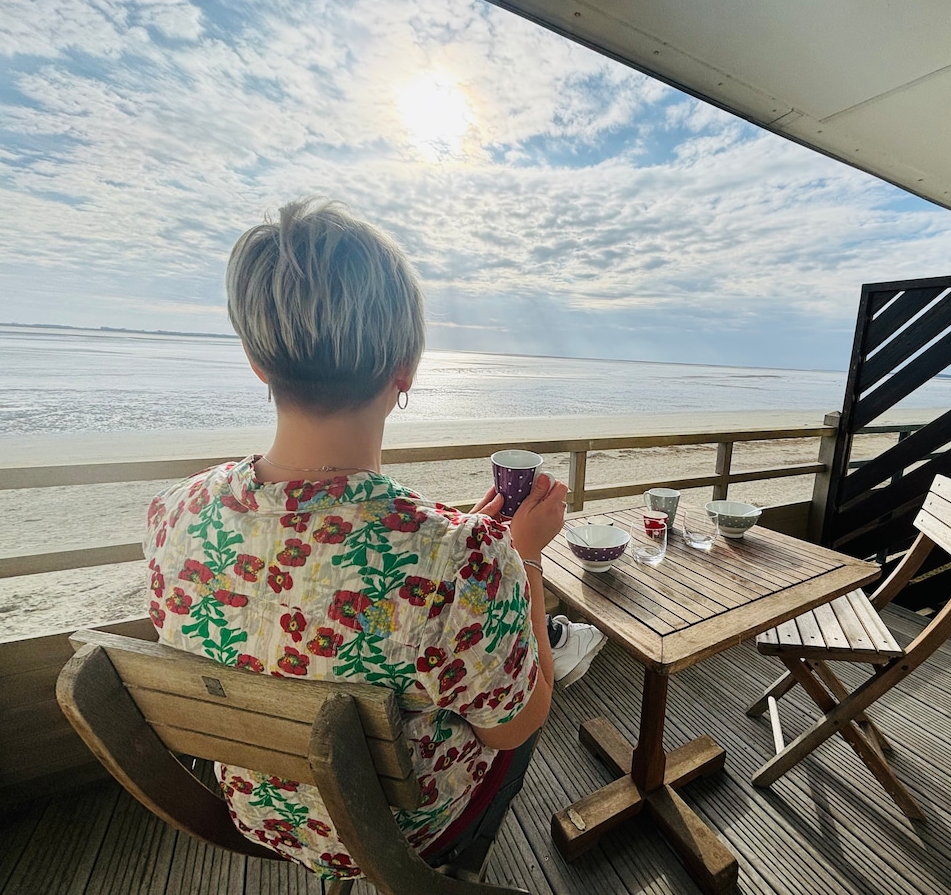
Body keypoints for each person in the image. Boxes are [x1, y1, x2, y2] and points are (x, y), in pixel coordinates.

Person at [143, 197, 607, 881]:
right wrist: (521, 558)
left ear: (256, 361)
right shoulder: (462, 558)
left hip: (260, 811)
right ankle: (460, 869)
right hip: (401, 834)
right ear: (405, 369)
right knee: (523, 696)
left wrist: (471, 546)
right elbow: (518, 722)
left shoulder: (173, 515)